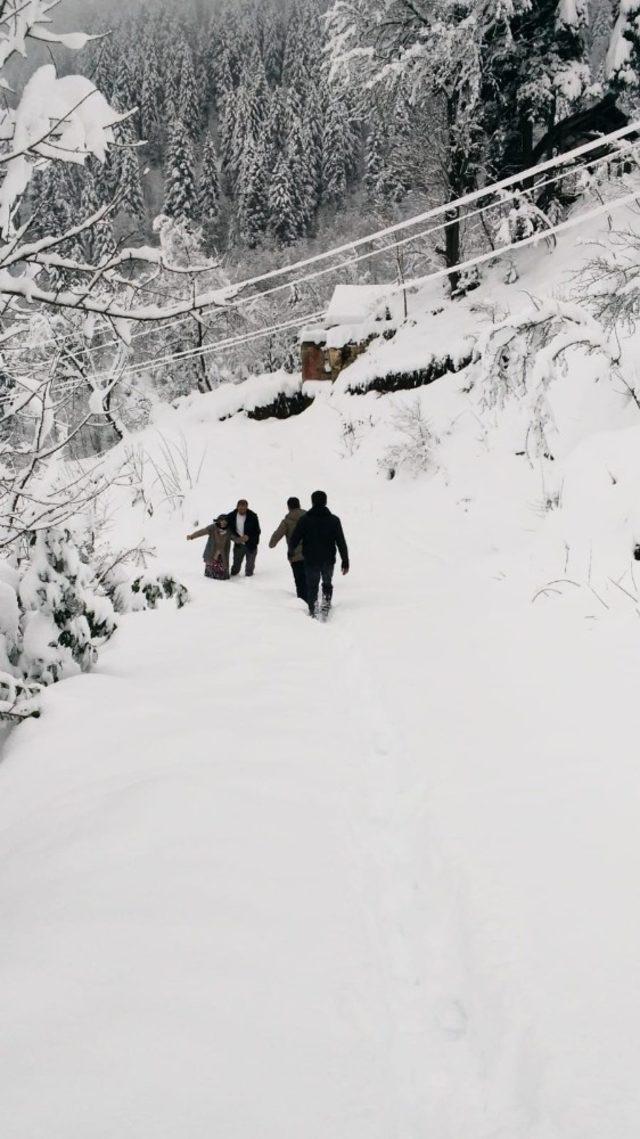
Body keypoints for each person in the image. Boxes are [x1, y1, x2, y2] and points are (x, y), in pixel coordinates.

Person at [290, 490, 349, 618]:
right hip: (328, 559)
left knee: (312, 585)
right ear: (325, 502)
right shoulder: (334, 520)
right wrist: (345, 560)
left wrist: (291, 551)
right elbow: (341, 541)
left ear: (312, 502)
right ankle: (326, 604)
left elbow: (295, 538)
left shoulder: (304, 520)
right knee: (327, 583)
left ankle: (313, 608)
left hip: (311, 559)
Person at [269, 496, 307, 601]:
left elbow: (276, 536)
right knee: (310, 579)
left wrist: (272, 543)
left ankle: (304, 603)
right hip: (311, 554)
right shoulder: (309, 517)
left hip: (295, 556)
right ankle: (314, 601)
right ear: (299, 505)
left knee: (300, 581)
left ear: (288, 507)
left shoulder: (286, 521)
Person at [187, 515, 247, 580]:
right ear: (218, 521)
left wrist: (243, 539)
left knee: (222, 573)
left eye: (225, 521)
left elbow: (236, 539)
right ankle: (210, 577)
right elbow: (202, 532)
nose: (223, 523)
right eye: (222, 521)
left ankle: (219, 577)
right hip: (212, 552)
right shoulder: (212, 528)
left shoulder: (228, 531)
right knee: (210, 568)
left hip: (222, 553)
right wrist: (192, 536)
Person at [226, 499, 261, 577]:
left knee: (249, 569)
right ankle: (231, 583)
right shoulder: (231, 516)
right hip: (239, 546)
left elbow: (257, 531)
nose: (242, 510)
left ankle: (249, 584)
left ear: (247, 507)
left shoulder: (253, 516)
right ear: (237, 507)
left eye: (244, 508)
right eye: (240, 508)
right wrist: (234, 538)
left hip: (251, 545)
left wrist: (248, 537)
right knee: (236, 567)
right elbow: (225, 526)